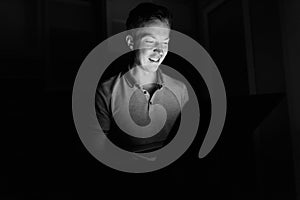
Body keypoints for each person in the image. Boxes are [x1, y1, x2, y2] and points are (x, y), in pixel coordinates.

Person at [95, 2, 189, 153]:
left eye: (165, 43)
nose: (159, 51)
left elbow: (185, 147)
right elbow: (99, 151)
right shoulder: (106, 91)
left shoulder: (181, 89)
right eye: (150, 41)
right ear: (131, 42)